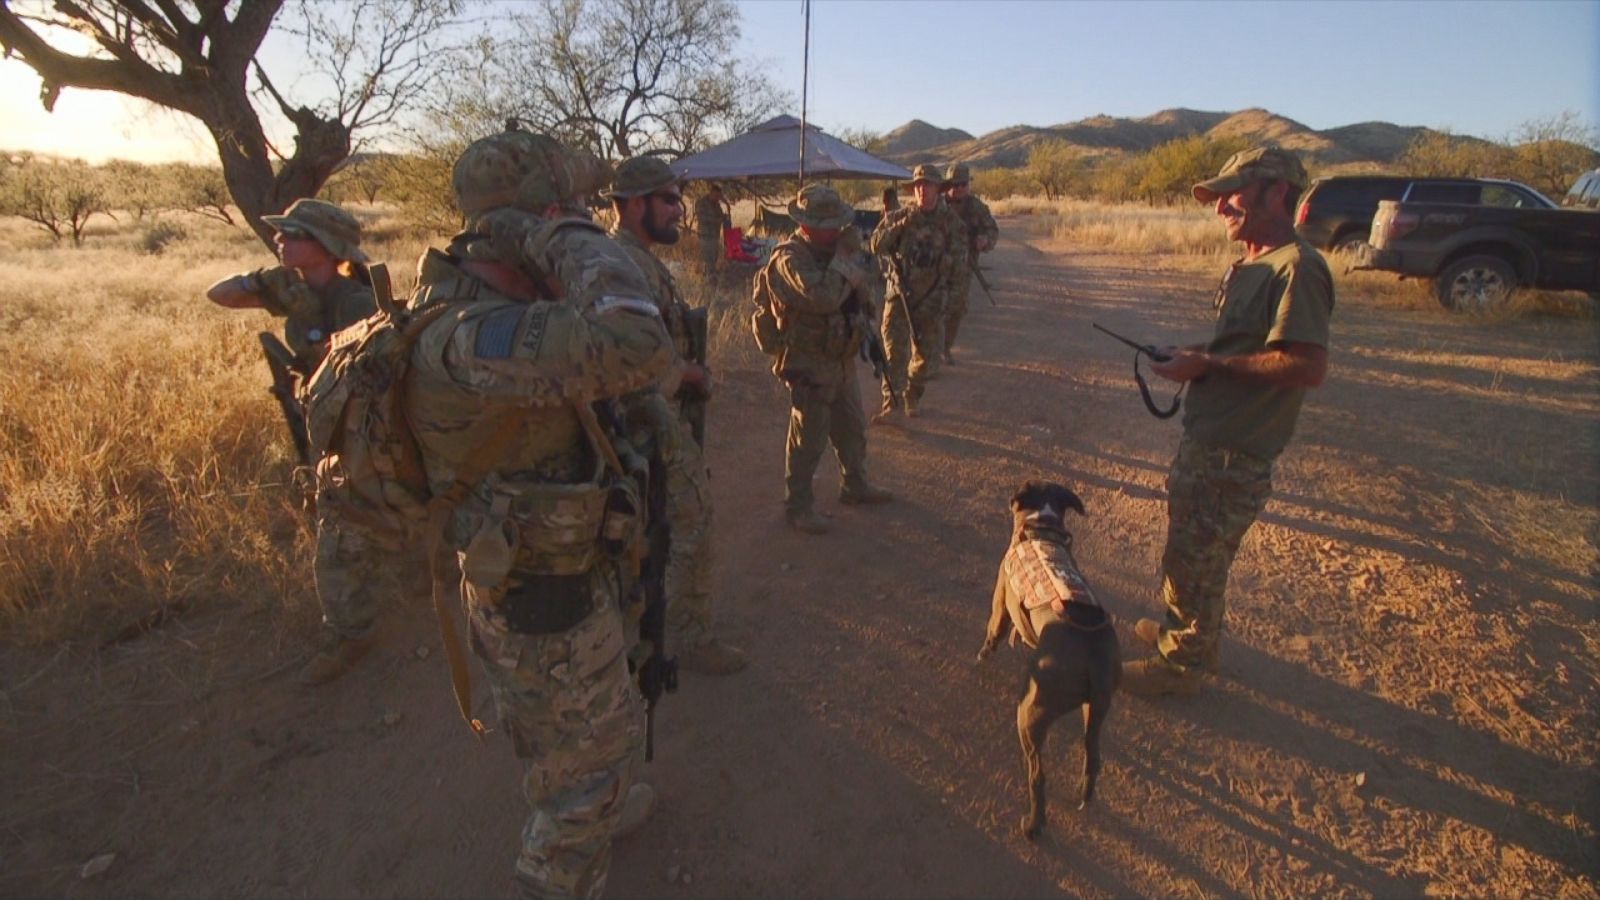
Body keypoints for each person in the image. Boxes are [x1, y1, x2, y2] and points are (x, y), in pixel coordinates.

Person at [404, 129, 676, 896]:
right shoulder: (475, 333)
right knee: (575, 782)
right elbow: (636, 342)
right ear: (537, 220)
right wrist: (563, 235)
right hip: (537, 601)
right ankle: (562, 861)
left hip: (566, 574)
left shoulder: (498, 309)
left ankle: (602, 803)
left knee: (598, 728)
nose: (585, 222)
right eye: (573, 210)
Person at [1122, 147, 1334, 696]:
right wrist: (1190, 353)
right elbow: (1239, 347)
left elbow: (1306, 365)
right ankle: (1182, 636)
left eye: (1232, 194)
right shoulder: (1252, 263)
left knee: (1197, 559)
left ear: (1276, 192)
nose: (1221, 208)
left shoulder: (1298, 268)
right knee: (1187, 551)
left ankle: (1182, 667)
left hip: (1234, 454)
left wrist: (1209, 364)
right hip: (1209, 440)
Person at [205, 198, 396, 686]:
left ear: (327, 245)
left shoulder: (355, 300)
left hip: (359, 429)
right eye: (282, 232)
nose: (281, 239)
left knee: (344, 525)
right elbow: (220, 294)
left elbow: (380, 378)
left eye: (294, 233)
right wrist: (267, 281)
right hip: (325, 419)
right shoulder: (296, 288)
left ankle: (351, 633)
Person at [603, 157, 748, 676]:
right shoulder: (620, 264)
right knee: (690, 523)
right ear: (636, 204)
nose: (677, 210)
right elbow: (628, 355)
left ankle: (644, 634)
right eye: (667, 200)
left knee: (650, 529)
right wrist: (687, 375)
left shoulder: (634, 258)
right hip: (647, 421)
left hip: (649, 419)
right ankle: (688, 636)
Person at [755, 184, 894, 535]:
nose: (836, 230)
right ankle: (798, 506)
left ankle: (855, 485)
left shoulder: (835, 252)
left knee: (852, 429)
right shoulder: (790, 259)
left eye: (839, 223)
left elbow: (864, 293)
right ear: (805, 225)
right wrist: (847, 261)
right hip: (808, 361)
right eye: (828, 224)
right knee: (809, 438)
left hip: (841, 357)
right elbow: (823, 297)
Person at [869, 163, 966, 421]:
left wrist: (951, 303)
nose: (922, 190)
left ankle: (912, 394)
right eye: (918, 186)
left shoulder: (951, 224)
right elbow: (876, 245)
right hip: (899, 296)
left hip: (932, 300)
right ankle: (892, 403)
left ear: (938, 188)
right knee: (893, 352)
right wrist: (901, 223)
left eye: (928, 185)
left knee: (925, 358)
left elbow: (959, 267)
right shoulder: (899, 216)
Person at [941, 163, 999, 364]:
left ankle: (944, 348)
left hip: (964, 267)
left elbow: (992, 230)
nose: (958, 188)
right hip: (936, 267)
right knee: (930, 309)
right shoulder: (938, 205)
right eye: (954, 184)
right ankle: (925, 352)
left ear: (969, 185)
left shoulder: (977, 207)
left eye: (962, 184)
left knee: (956, 309)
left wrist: (985, 241)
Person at [692, 182, 729, 274]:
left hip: (715, 235)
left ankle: (711, 275)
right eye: (716, 196)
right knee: (708, 258)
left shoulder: (716, 204)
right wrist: (717, 220)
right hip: (705, 235)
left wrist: (724, 216)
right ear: (711, 192)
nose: (717, 198)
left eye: (719, 196)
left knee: (714, 257)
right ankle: (709, 277)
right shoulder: (701, 203)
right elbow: (702, 218)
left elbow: (719, 215)